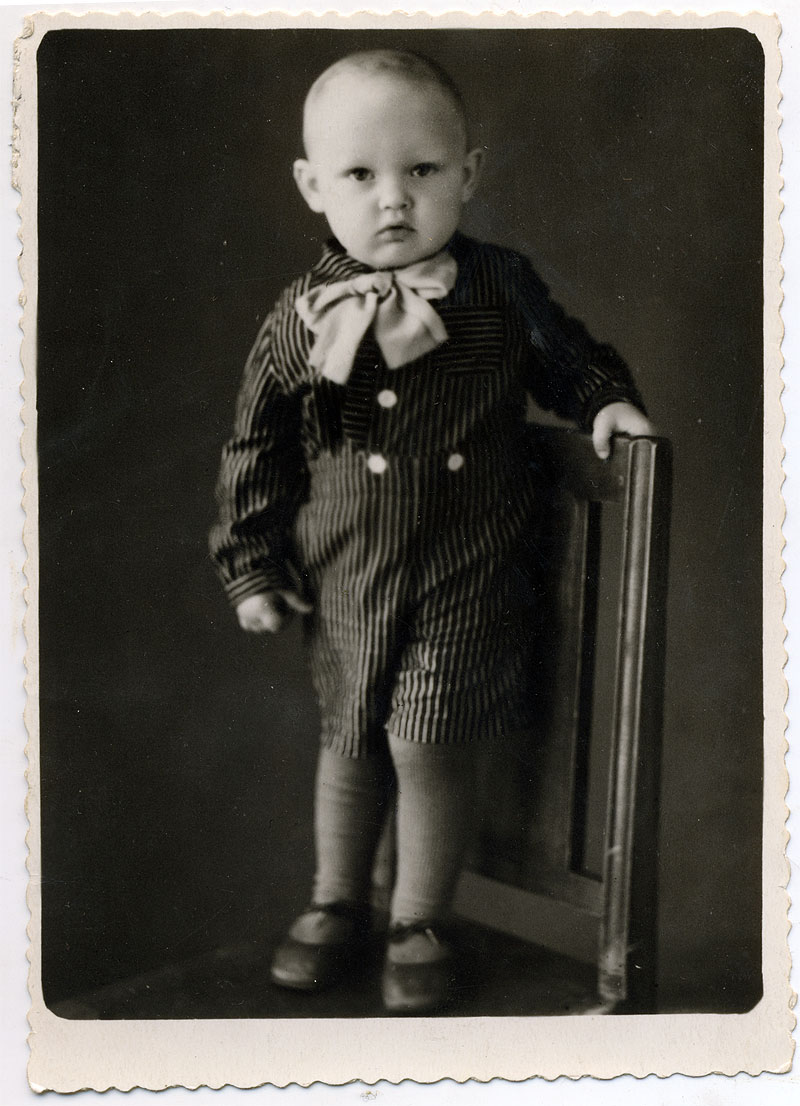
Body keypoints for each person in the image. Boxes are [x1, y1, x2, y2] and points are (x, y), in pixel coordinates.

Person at [209, 48, 654, 1013]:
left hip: (468, 566)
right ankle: (336, 901)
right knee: (351, 730)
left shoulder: (497, 287)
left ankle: (419, 918)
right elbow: (258, 445)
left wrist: (604, 400)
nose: (393, 199)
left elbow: (566, 357)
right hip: (349, 570)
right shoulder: (302, 316)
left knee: (425, 734)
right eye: (360, 175)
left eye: (421, 169)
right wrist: (252, 565)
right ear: (313, 187)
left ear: (469, 173)